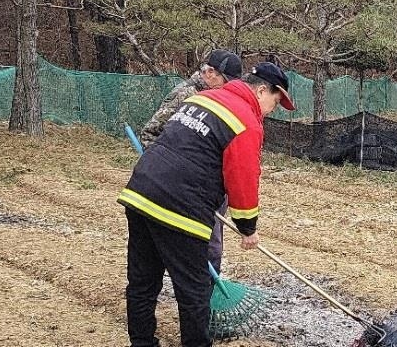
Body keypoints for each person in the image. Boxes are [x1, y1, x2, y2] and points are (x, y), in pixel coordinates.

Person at [119, 62, 296, 347]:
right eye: (276, 101)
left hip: (141, 190)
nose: (273, 109)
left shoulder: (201, 98)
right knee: (195, 291)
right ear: (262, 90)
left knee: (142, 282)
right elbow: (243, 177)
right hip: (180, 207)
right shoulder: (246, 121)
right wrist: (247, 227)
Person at [139, 48, 242, 274]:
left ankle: (208, 287)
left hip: (212, 182)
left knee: (213, 237)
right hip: (178, 183)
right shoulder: (185, 95)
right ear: (211, 73)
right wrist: (167, 168)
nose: (230, 88)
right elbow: (150, 133)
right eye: (227, 81)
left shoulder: (224, 99)